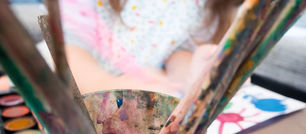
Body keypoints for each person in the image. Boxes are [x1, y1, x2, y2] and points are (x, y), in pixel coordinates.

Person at [59, 0, 244, 96]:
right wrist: (102, 85)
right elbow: (69, 50)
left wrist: (190, 76)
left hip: (144, 105)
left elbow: (180, 50)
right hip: (73, 98)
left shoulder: (206, 4)